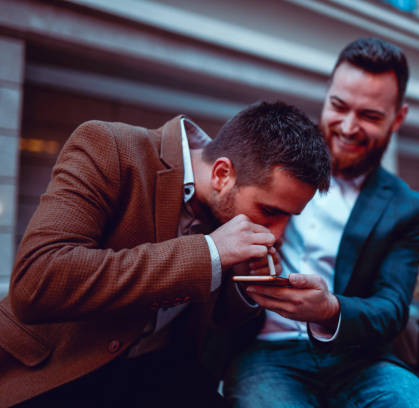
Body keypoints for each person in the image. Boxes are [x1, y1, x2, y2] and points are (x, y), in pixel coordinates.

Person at [0, 101, 331, 407]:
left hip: (155, 376)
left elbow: (221, 331)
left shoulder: (237, 216)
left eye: (289, 217)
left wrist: (247, 289)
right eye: (269, 211)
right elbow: (37, 281)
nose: (277, 233)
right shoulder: (109, 147)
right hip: (53, 370)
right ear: (222, 175)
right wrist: (209, 252)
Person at [223, 38, 419, 407]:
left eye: (370, 116)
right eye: (338, 106)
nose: (348, 126)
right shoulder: (268, 160)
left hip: (360, 359)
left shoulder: (410, 208)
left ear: (398, 118)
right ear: (326, 96)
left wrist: (330, 310)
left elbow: (391, 309)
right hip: (265, 353)